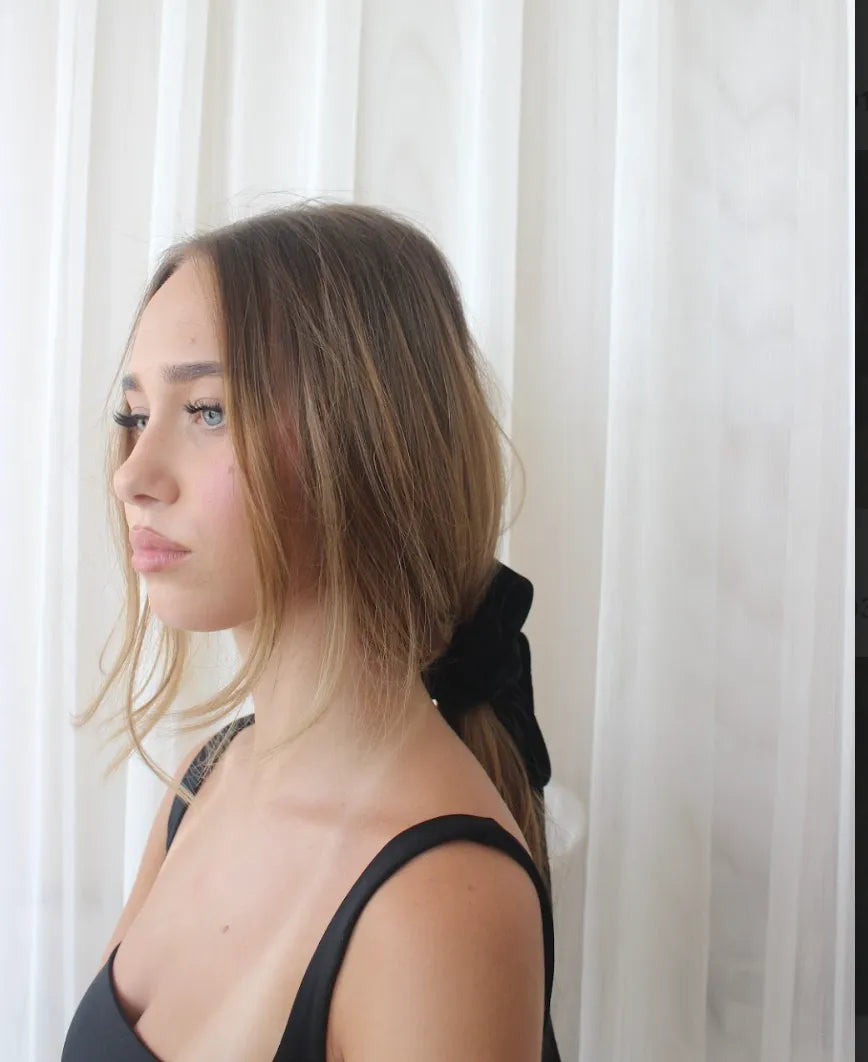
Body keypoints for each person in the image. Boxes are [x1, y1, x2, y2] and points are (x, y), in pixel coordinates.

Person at [61, 202, 562, 1060]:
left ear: (365, 439)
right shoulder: (210, 776)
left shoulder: (438, 900)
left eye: (208, 410)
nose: (134, 475)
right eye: (135, 416)